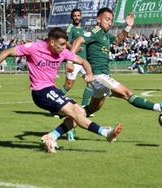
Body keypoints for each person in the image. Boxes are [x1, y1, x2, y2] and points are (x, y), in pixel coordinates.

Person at [0, 27, 122, 153]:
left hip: (51, 89)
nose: (64, 48)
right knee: (75, 112)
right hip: (40, 92)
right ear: (51, 42)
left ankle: (51, 137)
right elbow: (8, 52)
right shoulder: (34, 47)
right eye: (61, 44)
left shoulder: (62, 53)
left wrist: (89, 73)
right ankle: (106, 133)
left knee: (79, 112)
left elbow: (84, 62)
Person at [71, 7, 162, 119]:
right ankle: (159, 107)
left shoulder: (105, 34)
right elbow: (78, 40)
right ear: (98, 20)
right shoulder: (96, 31)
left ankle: (64, 125)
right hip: (98, 75)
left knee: (93, 108)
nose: (110, 22)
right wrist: (70, 61)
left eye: (111, 20)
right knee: (127, 93)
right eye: (107, 19)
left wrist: (128, 26)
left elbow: (118, 40)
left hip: (102, 75)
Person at [59, 8, 93, 140]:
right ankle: (57, 105)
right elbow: (64, 40)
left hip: (83, 61)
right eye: (75, 16)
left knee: (90, 82)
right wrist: (72, 47)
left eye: (79, 15)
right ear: (72, 17)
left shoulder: (83, 29)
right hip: (73, 60)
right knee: (68, 86)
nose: (77, 17)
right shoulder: (70, 28)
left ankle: (84, 108)